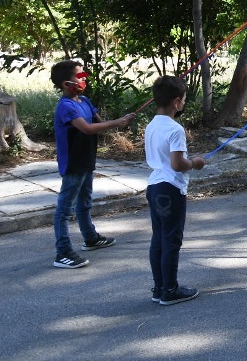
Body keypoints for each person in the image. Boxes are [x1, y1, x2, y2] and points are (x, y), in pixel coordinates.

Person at [50, 60, 135, 269]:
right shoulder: (66, 106)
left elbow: (97, 122)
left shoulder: (85, 101)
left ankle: (90, 238)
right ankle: (63, 252)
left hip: (87, 159)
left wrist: (123, 119)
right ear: (65, 83)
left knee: (85, 201)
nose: (83, 80)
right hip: (73, 163)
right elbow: (87, 128)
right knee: (65, 208)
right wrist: (117, 122)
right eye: (79, 77)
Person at [145, 76, 205, 305]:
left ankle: (159, 287)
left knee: (159, 239)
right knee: (171, 240)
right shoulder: (175, 128)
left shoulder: (151, 125)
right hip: (170, 189)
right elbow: (177, 164)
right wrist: (196, 163)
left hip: (154, 186)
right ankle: (170, 290)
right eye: (184, 100)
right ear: (177, 102)